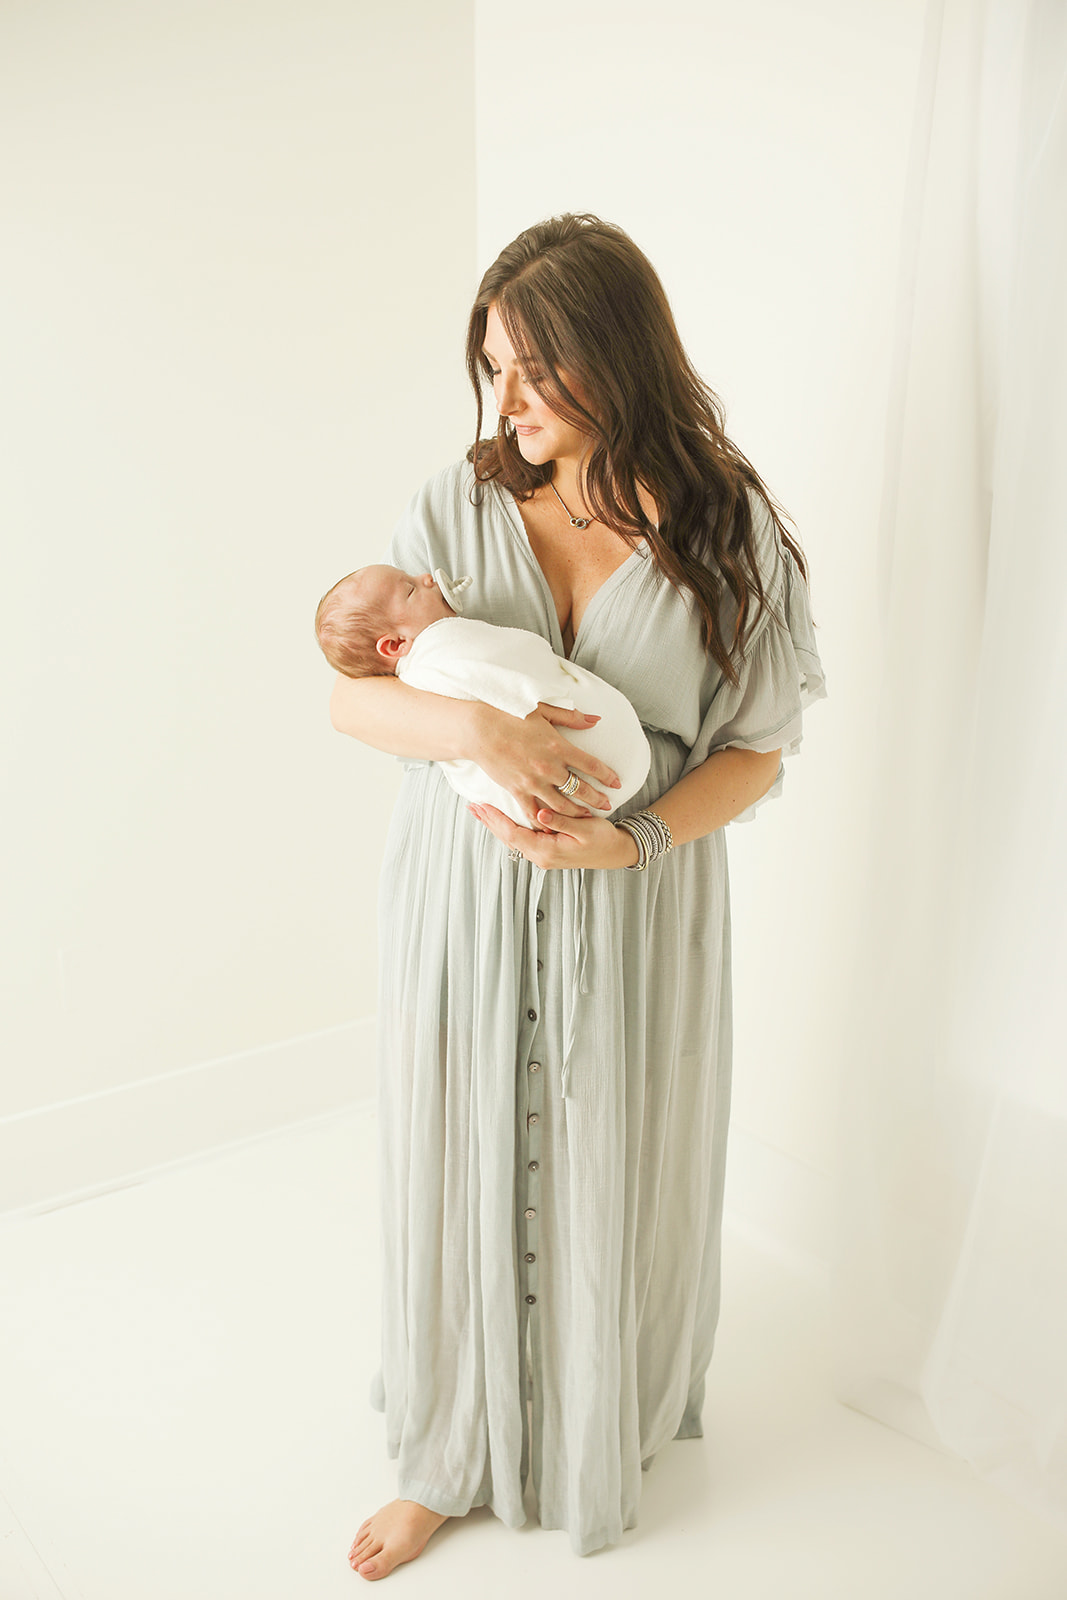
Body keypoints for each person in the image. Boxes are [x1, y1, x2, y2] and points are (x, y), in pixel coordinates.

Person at [332, 212, 827, 1579]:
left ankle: (608, 1410)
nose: (510, 402)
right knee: (456, 1149)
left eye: (537, 370)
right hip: (461, 904)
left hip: (634, 905)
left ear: (617, 358)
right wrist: (479, 736)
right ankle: (447, 1450)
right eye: (492, 366)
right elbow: (351, 694)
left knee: (619, 1153)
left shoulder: (728, 535)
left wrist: (636, 844)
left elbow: (755, 749)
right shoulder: (454, 505)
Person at [313, 562, 651, 826]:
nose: (427, 577)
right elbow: (522, 655)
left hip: (542, 814)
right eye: (411, 590)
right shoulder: (439, 650)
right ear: (396, 644)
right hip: (589, 774)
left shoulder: (414, 675)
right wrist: (481, 727)